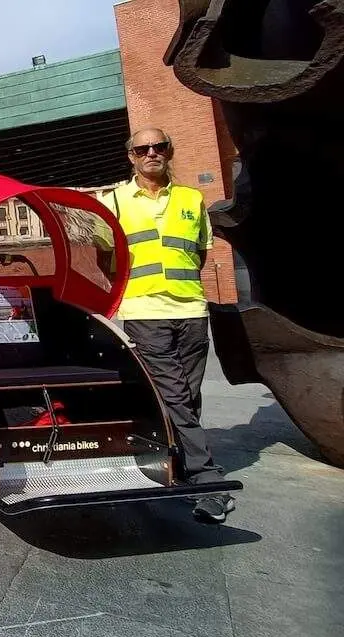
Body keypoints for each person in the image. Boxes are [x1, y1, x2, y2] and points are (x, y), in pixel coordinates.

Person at [99, 127, 234, 524]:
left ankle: (169, 457)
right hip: (145, 311)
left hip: (192, 310)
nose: (151, 153)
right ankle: (208, 478)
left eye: (159, 147)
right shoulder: (116, 202)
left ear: (169, 152)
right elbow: (104, 257)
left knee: (188, 395)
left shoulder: (193, 199)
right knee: (176, 394)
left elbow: (201, 254)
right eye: (143, 149)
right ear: (131, 157)